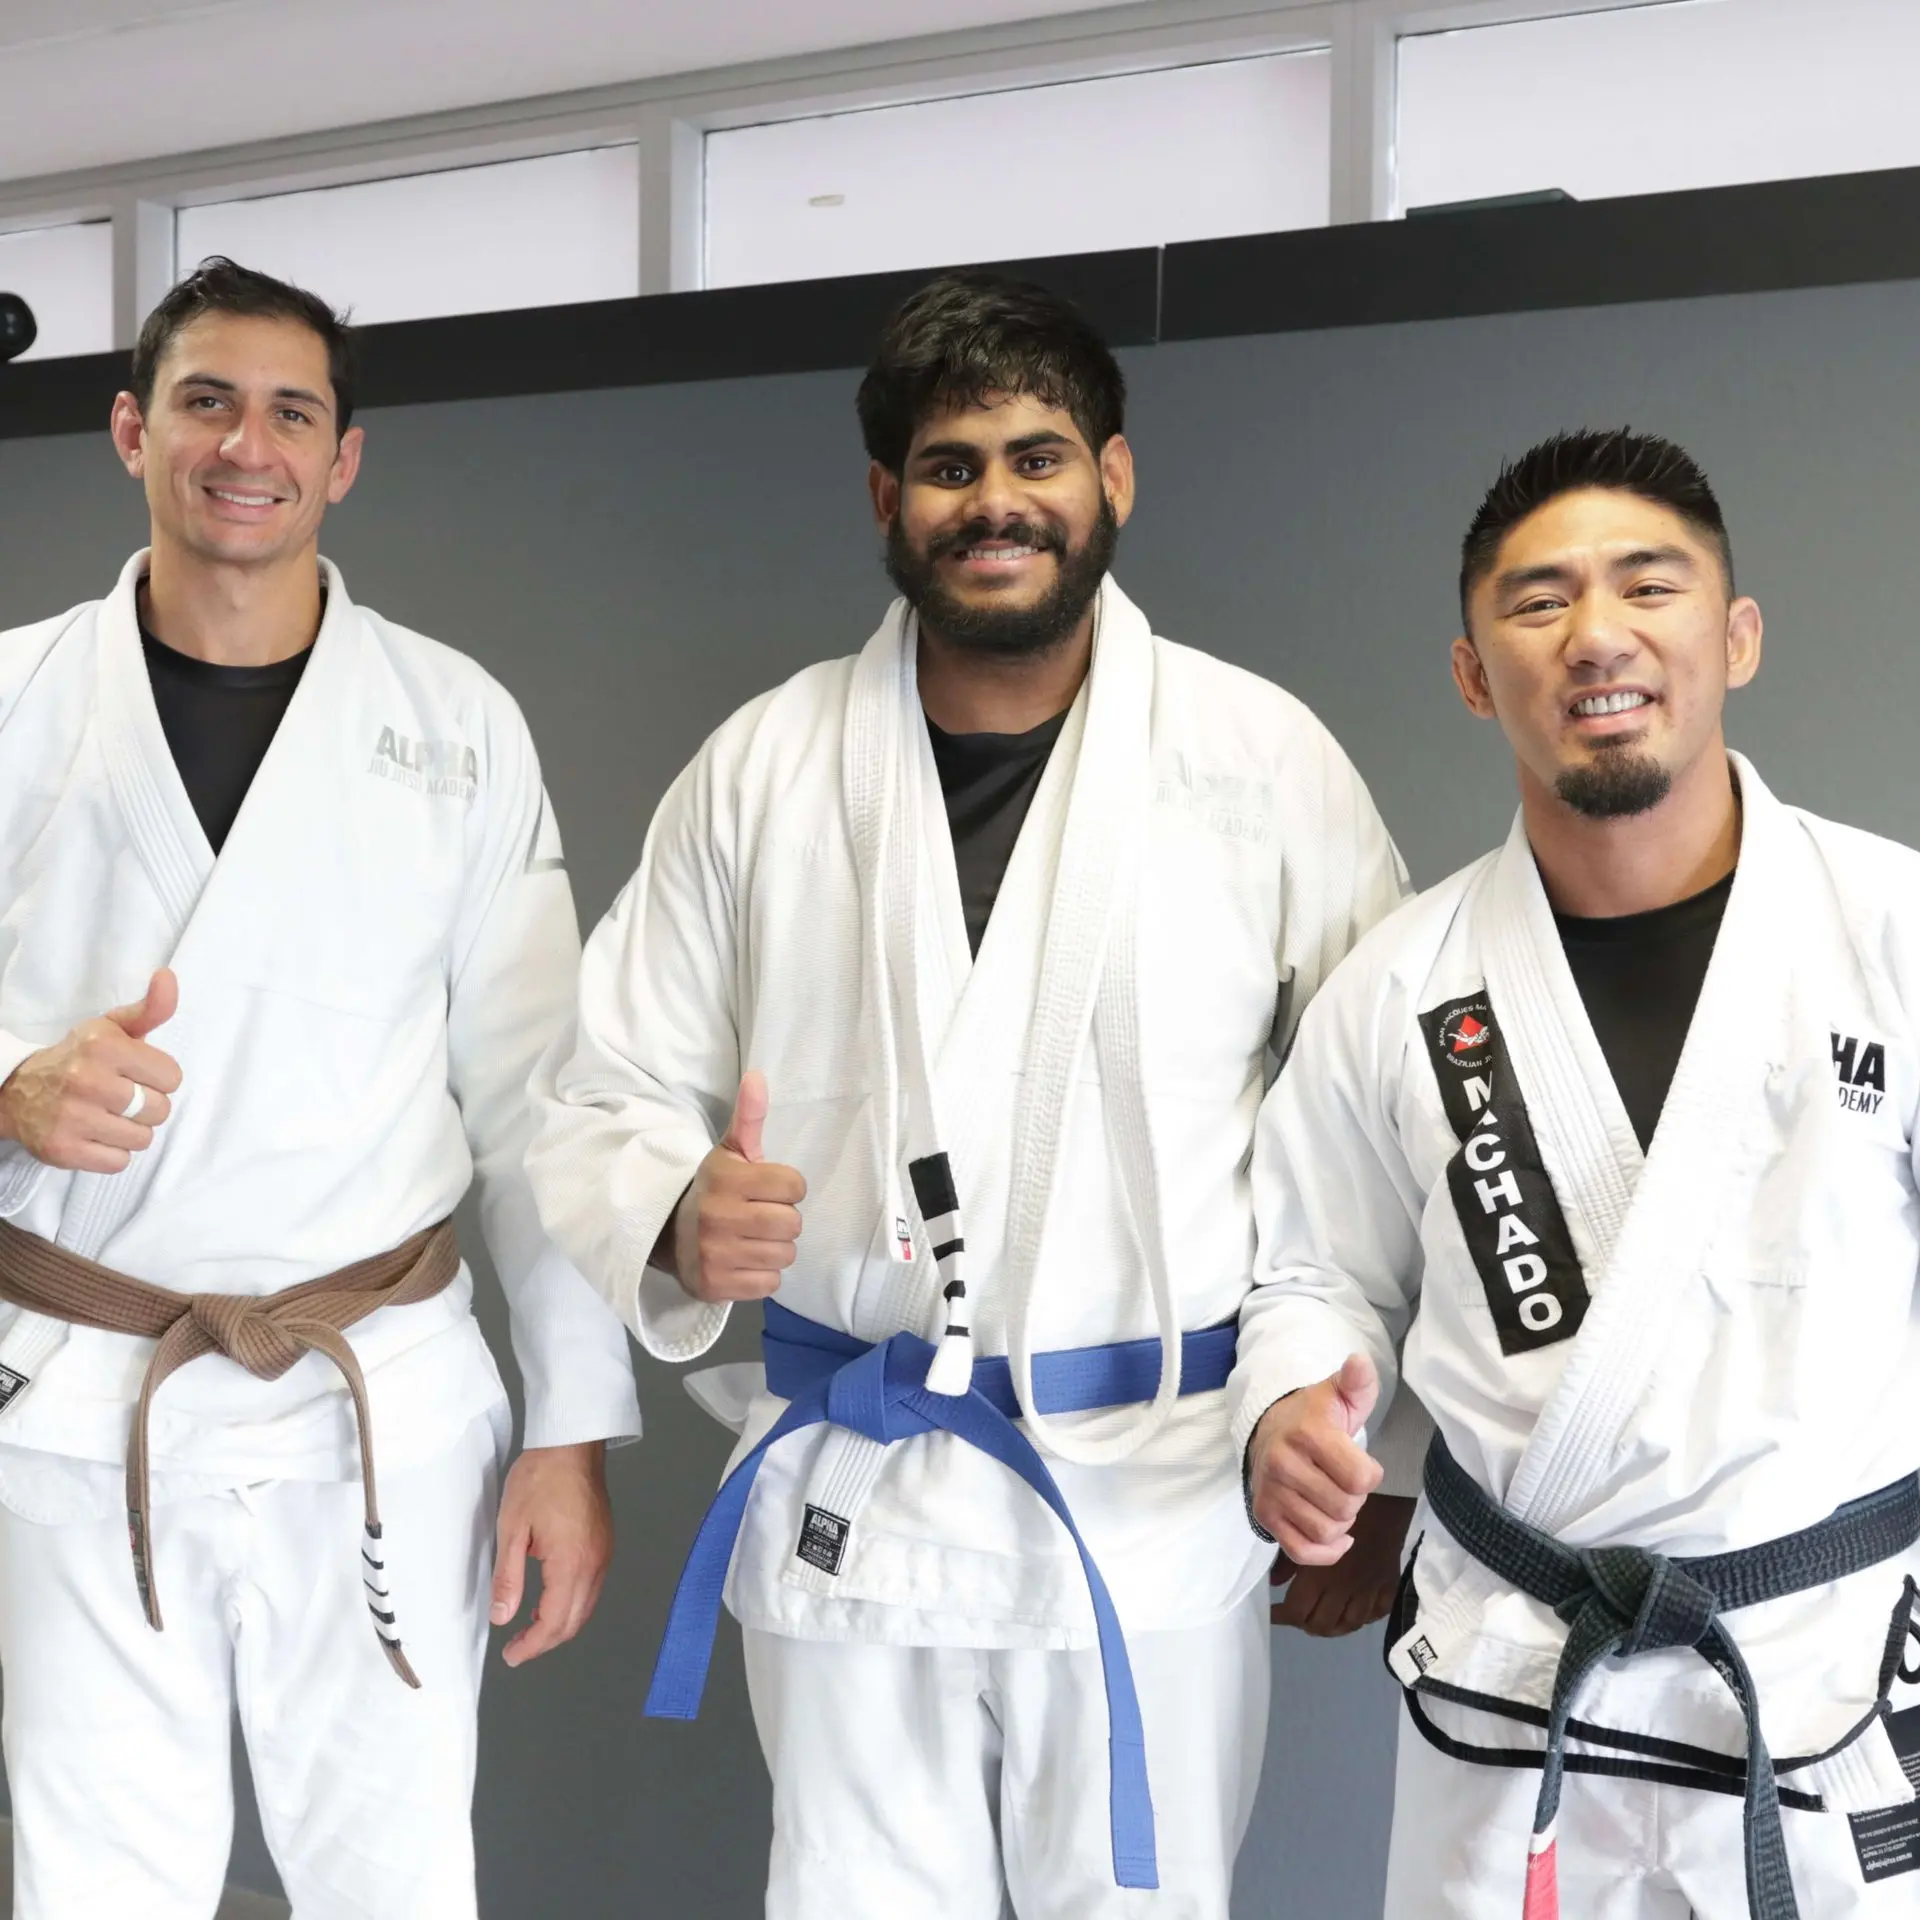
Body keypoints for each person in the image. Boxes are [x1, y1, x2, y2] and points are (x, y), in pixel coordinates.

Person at [527, 269, 1413, 1918]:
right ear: (888, 500)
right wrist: (672, 1207)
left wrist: (1358, 1429)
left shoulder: (1259, 760)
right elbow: (601, 1087)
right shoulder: (768, 766)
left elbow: (1371, 1138)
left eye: (1038, 455)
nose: (996, 499)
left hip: (1152, 1483)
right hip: (858, 1491)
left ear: (1113, 479)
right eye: (950, 465)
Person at [0, 257, 641, 1919]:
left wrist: (570, 1433)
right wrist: (4, 1093)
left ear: (343, 458)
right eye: (205, 400)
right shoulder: (8, 701)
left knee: (397, 1881)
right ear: (131, 428)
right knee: (92, 1886)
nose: (247, 444)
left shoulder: (455, 724)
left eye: (293, 411)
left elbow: (535, 1104)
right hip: (72, 1396)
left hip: (382, 1401)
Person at [1237, 427, 1920, 1919]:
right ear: (1477, 673)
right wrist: (1294, 1400)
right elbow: (1313, 1270)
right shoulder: (1401, 985)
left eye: (1647, 587)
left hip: (1820, 1663)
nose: (1597, 636)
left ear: (1734, 635)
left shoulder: (1893, 931)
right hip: (1520, 1676)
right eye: (1538, 603)